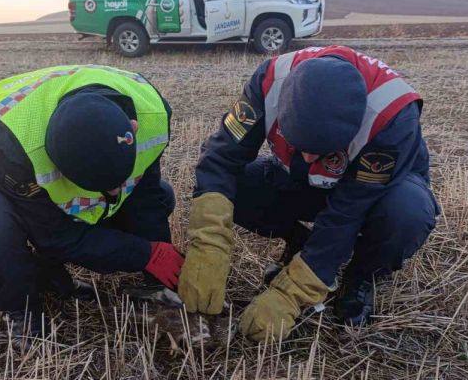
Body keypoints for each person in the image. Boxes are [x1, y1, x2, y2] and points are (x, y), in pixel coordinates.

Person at [178, 46, 439, 341]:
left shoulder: (391, 115)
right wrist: (209, 244)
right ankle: (300, 243)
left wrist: (293, 292)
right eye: (299, 144)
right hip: (302, 180)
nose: (310, 157)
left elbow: (348, 212)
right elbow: (221, 159)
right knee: (237, 184)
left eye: (321, 151)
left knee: (406, 213)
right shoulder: (270, 81)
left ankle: (361, 277)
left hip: (373, 193)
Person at [0, 65, 183, 345]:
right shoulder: (15, 142)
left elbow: (145, 197)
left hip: (33, 188)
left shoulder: (152, 112)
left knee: (162, 195)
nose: (117, 191)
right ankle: (20, 307)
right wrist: (141, 253)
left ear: (133, 129)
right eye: (104, 186)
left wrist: (158, 263)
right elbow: (55, 235)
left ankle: (48, 274)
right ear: (53, 157)